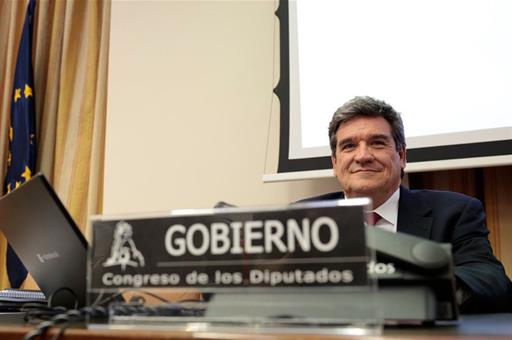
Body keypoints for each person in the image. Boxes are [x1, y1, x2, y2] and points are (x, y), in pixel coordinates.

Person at [302, 96, 512, 313]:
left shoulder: (454, 211)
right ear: (335, 164)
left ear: (401, 156)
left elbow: (491, 280)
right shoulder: (304, 218)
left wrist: (414, 290)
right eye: (349, 146)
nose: (363, 156)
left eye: (377, 143)